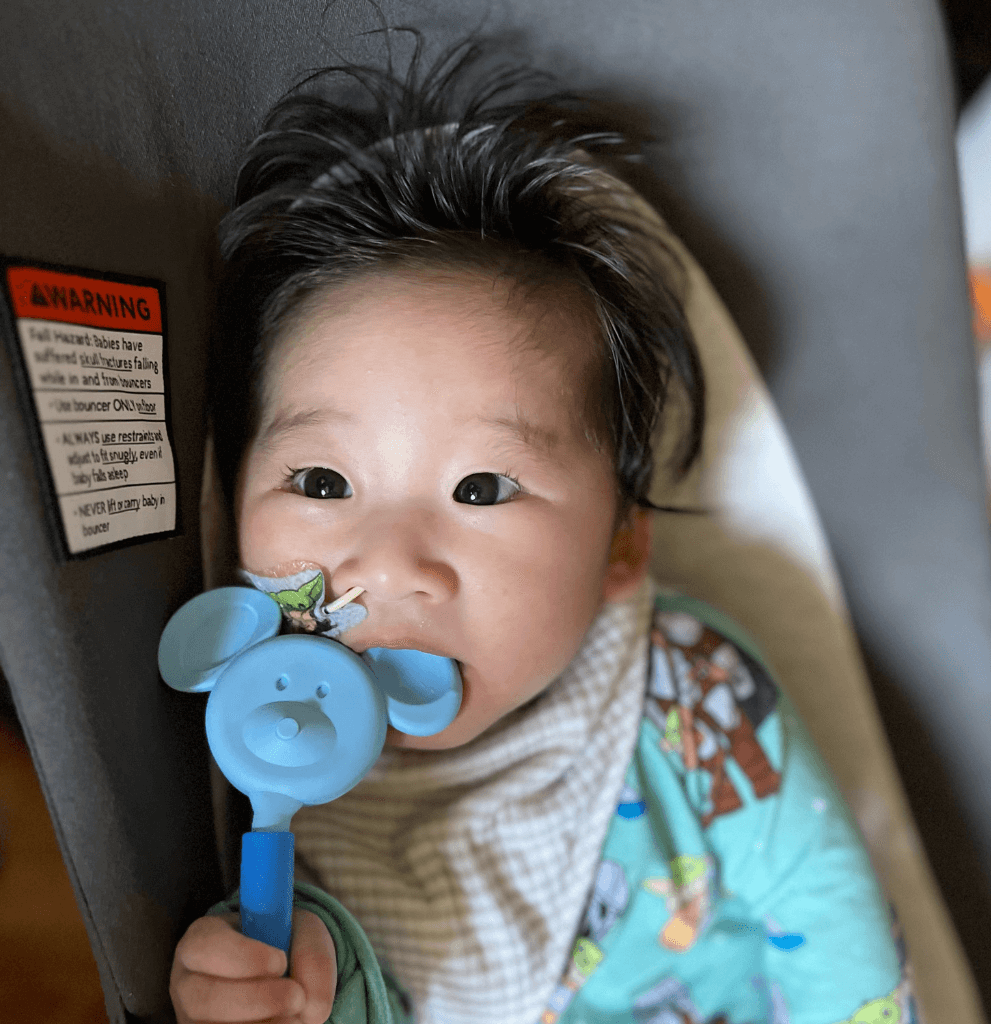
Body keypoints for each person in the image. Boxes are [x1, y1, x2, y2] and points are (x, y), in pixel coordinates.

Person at [169, 34, 917, 1024]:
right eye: (320, 480)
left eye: (482, 487)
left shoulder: (692, 696)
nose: (388, 562)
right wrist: (277, 984)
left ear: (621, 547)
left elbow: (836, 934)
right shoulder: (268, 772)